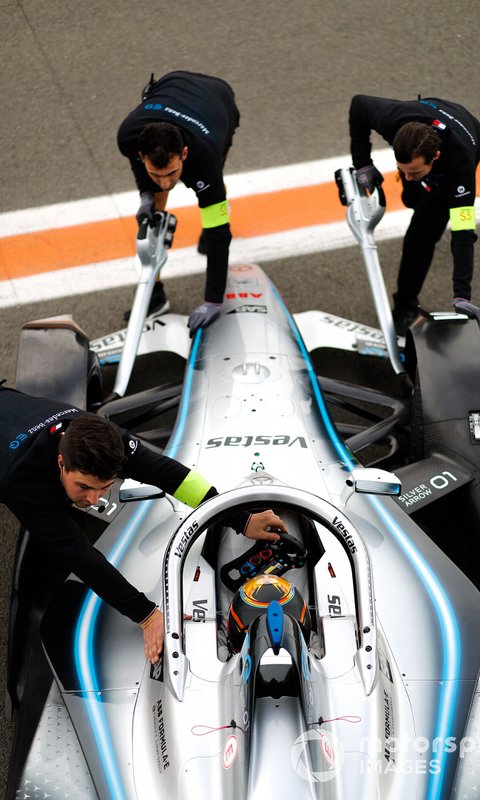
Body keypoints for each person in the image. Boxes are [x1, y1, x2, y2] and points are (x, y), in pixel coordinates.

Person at [0, 386, 286, 665]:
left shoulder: (105, 441)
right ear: (61, 463)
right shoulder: (21, 480)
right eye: (84, 487)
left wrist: (241, 518)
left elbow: (173, 476)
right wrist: (147, 615)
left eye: (104, 487)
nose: (94, 499)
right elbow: (80, 556)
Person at [348, 94, 480, 335]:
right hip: (429, 110)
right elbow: (358, 104)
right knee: (411, 196)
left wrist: (462, 297)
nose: (406, 177)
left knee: (421, 235)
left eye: (415, 171)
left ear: (435, 157)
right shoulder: (393, 120)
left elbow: (463, 234)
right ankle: (419, 187)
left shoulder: (460, 170)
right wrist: (363, 164)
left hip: (468, 134)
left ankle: (405, 307)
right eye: (403, 171)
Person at [117, 70, 240, 333]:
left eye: (172, 173)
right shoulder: (128, 137)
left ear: (183, 153)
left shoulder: (203, 157)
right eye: (156, 174)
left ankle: (216, 204)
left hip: (218, 99)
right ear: (141, 153)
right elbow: (140, 168)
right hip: (173, 83)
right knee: (154, 212)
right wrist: (146, 195)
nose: (165, 182)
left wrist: (213, 301)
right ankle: (155, 294)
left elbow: (221, 233)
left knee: (212, 201)